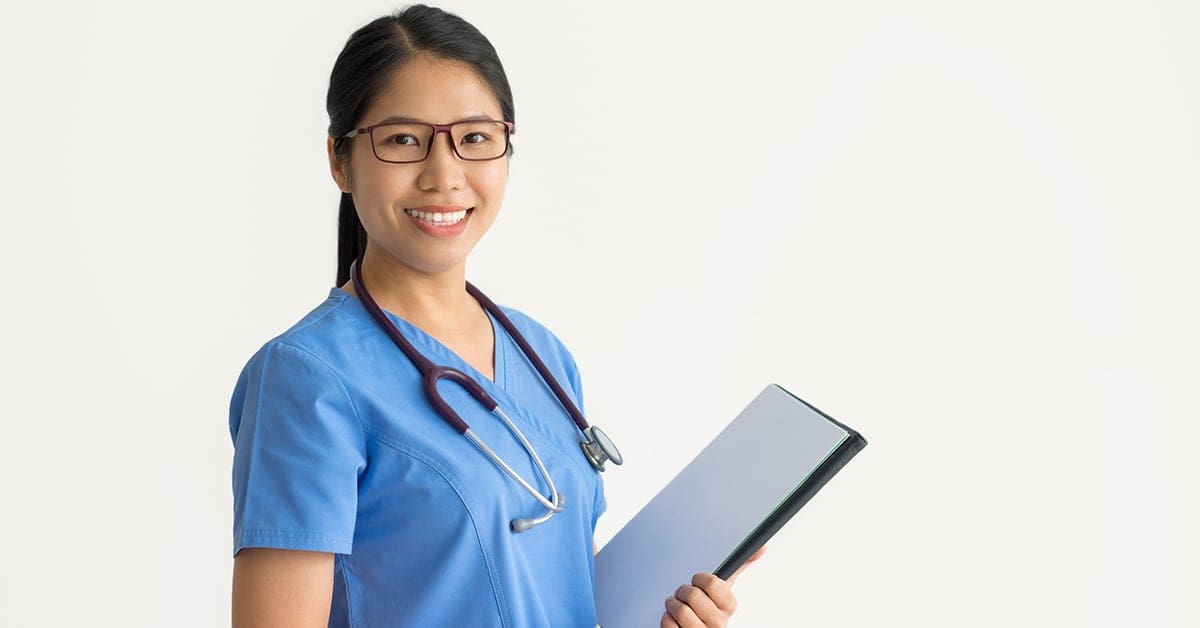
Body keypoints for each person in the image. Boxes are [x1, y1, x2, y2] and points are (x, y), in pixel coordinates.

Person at [229, 5, 762, 626]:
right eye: (403, 140)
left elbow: (565, 596)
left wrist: (662, 615)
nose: (444, 175)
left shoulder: (541, 353)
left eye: (475, 138)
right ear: (340, 160)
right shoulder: (305, 378)